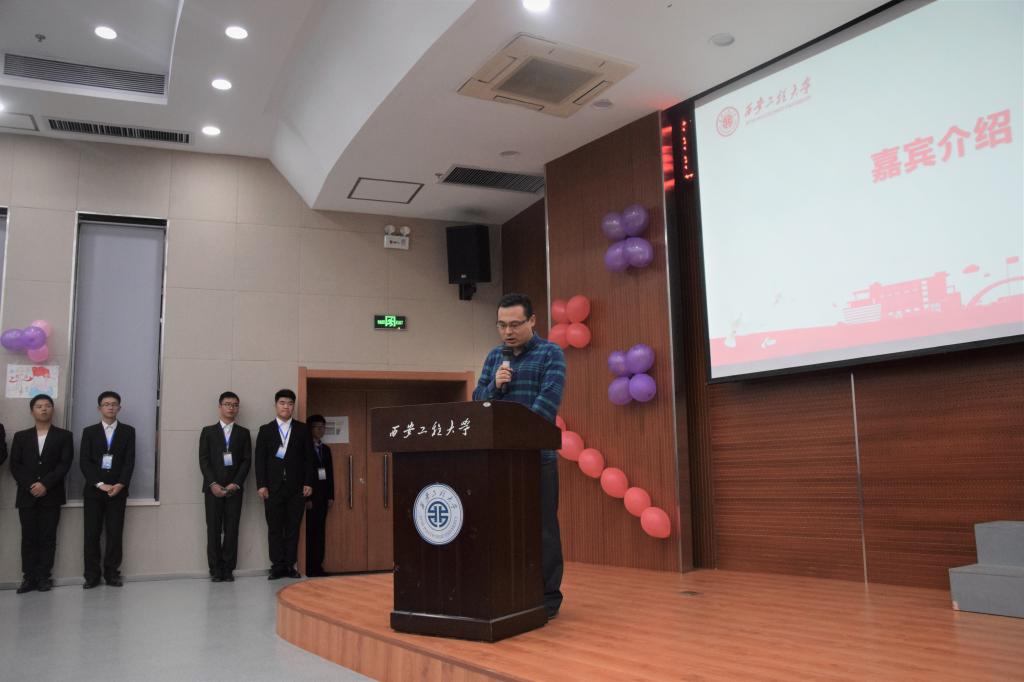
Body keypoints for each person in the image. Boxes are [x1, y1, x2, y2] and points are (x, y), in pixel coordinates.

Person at [473, 292, 566, 619]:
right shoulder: (494, 357)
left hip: (537, 459)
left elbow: (546, 405)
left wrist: (517, 436)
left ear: (532, 321)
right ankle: (510, 591)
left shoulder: (550, 354)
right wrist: (494, 387)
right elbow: (477, 402)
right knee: (502, 528)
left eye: (514, 324)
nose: (507, 332)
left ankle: (548, 597)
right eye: (502, 325)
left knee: (543, 529)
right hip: (499, 460)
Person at [9, 394, 74, 593]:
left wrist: (45, 484)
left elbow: (64, 464)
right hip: (26, 495)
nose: (44, 409)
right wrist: (31, 485)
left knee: (48, 537)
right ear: (32, 411)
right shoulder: (21, 436)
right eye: (39, 406)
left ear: (52, 409)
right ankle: (28, 578)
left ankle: (44, 577)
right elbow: (15, 465)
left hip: (51, 494)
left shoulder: (64, 436)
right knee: (28, 537)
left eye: (47, 405)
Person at [254, 389, 314, 579]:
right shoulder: (265, 430)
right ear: (275, 405)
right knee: (274, 528)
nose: (286, 406)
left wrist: (308, 482)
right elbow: (260, 460)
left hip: (297, 488)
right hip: (273, 488)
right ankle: (277, 566)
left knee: (293, 528)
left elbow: (309, 459)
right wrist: (261, 484)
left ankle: (290, 565)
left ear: (293, 406)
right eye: (282, 403)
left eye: (290, 403)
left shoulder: (303, 429)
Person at [80, 390, 135, 588]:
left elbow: (129, 461)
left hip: (117, 491)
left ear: (119, 408)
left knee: (114, 534)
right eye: (106, 404)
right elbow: (84, 462)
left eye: (114, 404)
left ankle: (112, 573)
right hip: (94, 491)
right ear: (99, 408)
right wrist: (99, 484)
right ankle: (91, 575)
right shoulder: (89, 431)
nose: (110, 407)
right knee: (91, 535)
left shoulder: (128, 431)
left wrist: (120, 484)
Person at [198, 391, 252, 582]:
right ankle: (215, 569)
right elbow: (204, 460)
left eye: (235, 405)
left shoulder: (243, 433)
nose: (231, 408)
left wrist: (235, 484)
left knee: (232, 529)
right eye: (227, 404)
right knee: (213, 529)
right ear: (220, 406)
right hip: (212, 490)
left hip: (234, 490)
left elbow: (246, 461)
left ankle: (228, 568)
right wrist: (213, 483)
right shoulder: (208, 431)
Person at [304, 414, 334, 577]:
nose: (320, 430)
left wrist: (331, 496)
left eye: (322, 427)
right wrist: (307, 498)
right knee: (310, 532)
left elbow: (330, 474)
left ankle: (318, 566)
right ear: (309, 428)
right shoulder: (305, 447)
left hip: (323, 497)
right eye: (316, 427)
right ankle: (308, 567)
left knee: (320, 532)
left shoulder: (326, 449)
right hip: (310, 496)